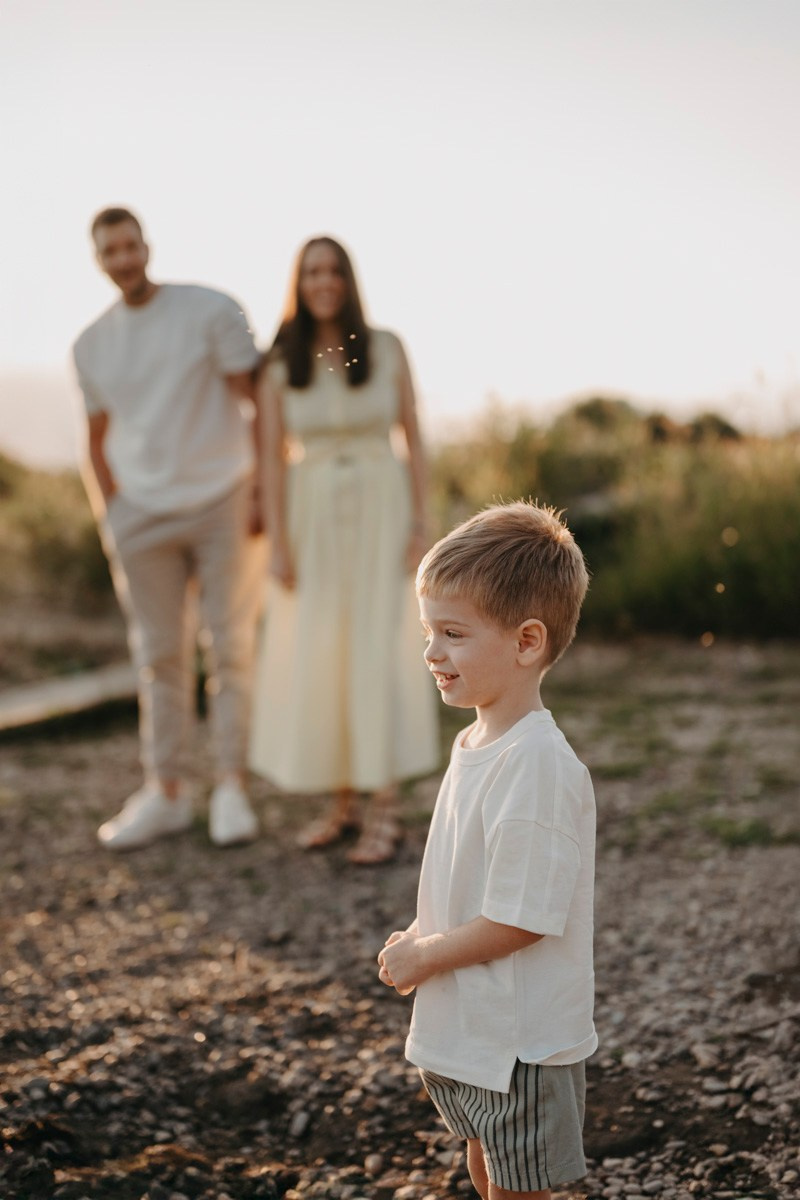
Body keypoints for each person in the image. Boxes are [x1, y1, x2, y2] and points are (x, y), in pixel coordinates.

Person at [377, 501, 596, 1200]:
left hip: (519, 1041)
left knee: (517, 1185)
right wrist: (421, 930)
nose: (431, 653)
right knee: (484, 1162)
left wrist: (425, 957)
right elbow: (467, 878)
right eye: (428, 632)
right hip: (475, 1027)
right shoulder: (476, 742)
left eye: (453, 634)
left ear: (527, 642)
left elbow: (522, 918)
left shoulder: (538, 767)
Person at [73, 206, 264, 851]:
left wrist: (263, 489)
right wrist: (113, 515)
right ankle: (168, 792)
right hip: (141, 516)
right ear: (99, 260)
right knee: (158, 657)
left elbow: (256, 399)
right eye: (110, 251)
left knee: (230, 646)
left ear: (147, 246)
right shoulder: (90, 344)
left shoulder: (211, 309)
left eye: (130, 246)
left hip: (224, 499)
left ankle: (232, 786)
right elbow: (94, 438)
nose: (123, 259)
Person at [249, 235, 438, 864]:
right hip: (312, 518)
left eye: (332, 271)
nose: (323, 282)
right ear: (298, 284)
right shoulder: (282, 362)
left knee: (379, 648)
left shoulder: (384, 348)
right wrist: (279, 544)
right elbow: (270, 459)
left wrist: (421, 524)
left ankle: (386, 805)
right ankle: (343, 803)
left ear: (347, 279)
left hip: (382, 509)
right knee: (325, 653)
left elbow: (413, 436)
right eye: (311, 272)